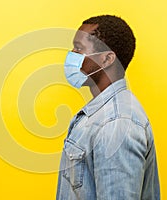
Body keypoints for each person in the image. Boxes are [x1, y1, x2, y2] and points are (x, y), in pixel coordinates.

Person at [56, 15, 160, 200]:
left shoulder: (116, 124)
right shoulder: (101, 114)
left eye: (78, 48)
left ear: (106, 59)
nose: (71, 54)